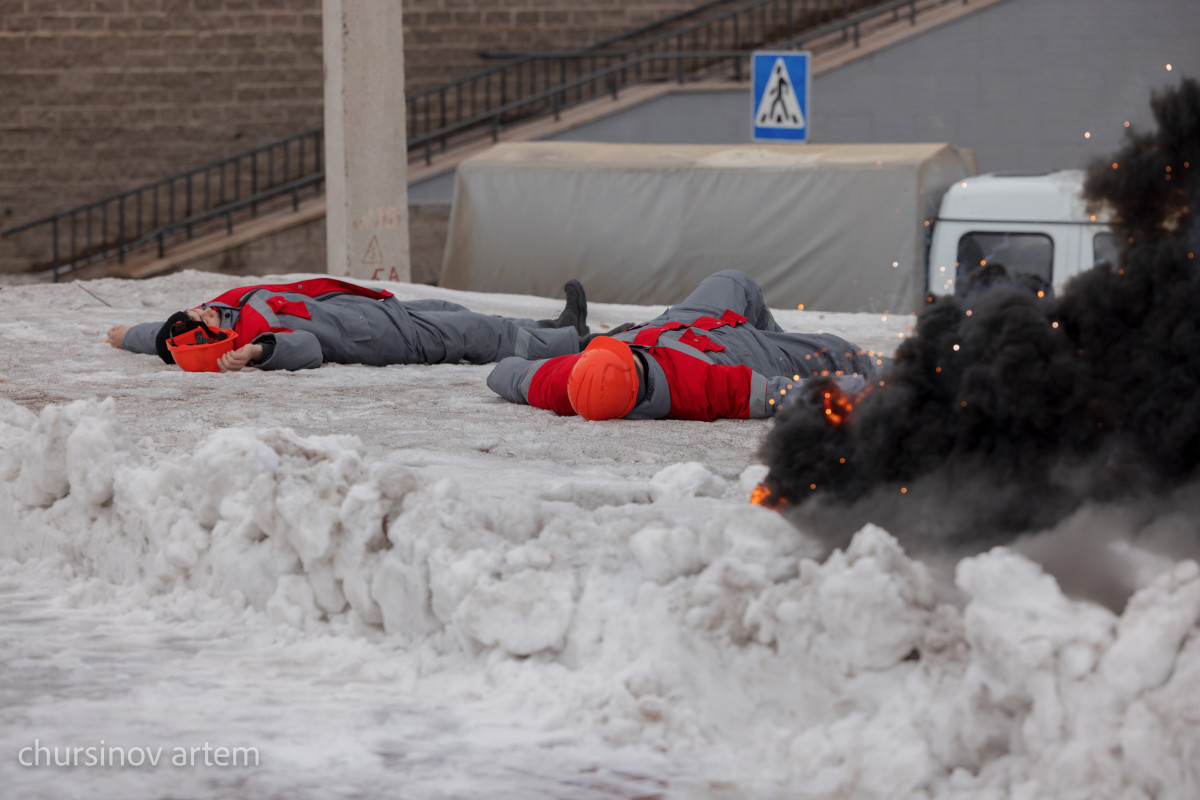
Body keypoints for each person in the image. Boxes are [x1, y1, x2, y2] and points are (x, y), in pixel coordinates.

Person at [487, 270, 886, 421]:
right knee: (839, 354)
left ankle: (776, 336)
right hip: (745, 353)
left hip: (679, 323)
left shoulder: (570, 385)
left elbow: (505, 374)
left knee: (733, 281)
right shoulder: (702, 388)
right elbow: (788, 395)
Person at [106, 277, 589, 371]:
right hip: (385, 337)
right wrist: (255, 354)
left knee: (469, 317)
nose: (205, 309)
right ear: (214, 339)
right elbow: (305, 350)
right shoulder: (252, 336)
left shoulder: (218, 316)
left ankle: (553, 325)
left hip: (377, 310)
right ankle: (578, 342)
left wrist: (128, 335)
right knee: (483, 337)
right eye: (201, 317)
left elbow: (164, 340)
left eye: (197, 310)